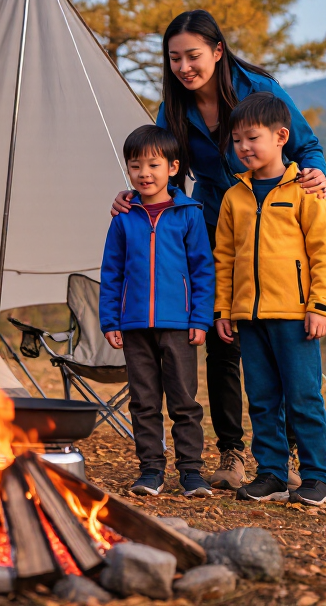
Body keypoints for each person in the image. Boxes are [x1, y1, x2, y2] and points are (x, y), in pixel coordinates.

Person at [112, 10, 326, 491]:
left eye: (193, 55)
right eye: (174, 58)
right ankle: (234, 453)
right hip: (214, 220)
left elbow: (306, 145)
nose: (184, 66)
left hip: (272, 220)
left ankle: (287, 456)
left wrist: (316, 174)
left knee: (280, 345)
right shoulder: (174, 108)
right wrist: (134, 194)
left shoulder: (258, 90)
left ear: (217, 50)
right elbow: (159, 163)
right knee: (222, 339)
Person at [213, 92, 326, 506]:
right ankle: (271, 475)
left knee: (303, 397)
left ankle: (318, 479)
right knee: (263, 399)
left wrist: (319, 307)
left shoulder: (306, 190)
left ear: (282, 136)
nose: (244, 148)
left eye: (252, 138)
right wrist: (224, 309)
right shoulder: (234, 197)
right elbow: (225, 258)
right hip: (249, 317)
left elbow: (324, 252)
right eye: (237, 141)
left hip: (296, 316)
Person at [99, 125, 217, 498]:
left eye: (153, 164)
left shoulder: (188, 214)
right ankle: (150, 470)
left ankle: (191, 473)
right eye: (136, 166)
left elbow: (202, 270)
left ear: (173, 167)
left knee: (184, 401)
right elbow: (111, 271)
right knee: (144, 401)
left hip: (179, 325)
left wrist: (200, 319)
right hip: (134, 325)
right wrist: (110, 319)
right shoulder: (124, 217)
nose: (144, 173)